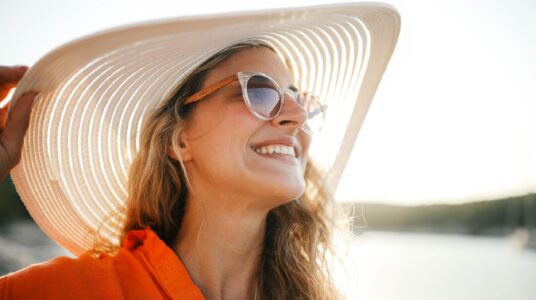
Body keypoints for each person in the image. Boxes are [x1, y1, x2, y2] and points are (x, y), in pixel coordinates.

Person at [0, 4, 400, 300]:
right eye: (259, 90)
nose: (296, 115)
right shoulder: (62, 292)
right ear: (178, 140)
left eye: (301, 100)